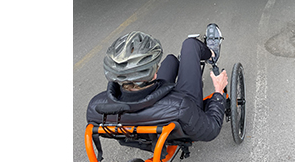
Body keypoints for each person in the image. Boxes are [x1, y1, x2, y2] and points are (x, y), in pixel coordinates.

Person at [86, 27, 228, 142]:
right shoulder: (182, 106)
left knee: (171, 60)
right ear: (154, 74)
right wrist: (218, 92)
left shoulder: (96, 107)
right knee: (189, 44)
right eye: (155, 66)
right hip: (176, 112)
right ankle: (212, 53)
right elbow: (211, 129)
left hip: (146, 127)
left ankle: (181, 62)